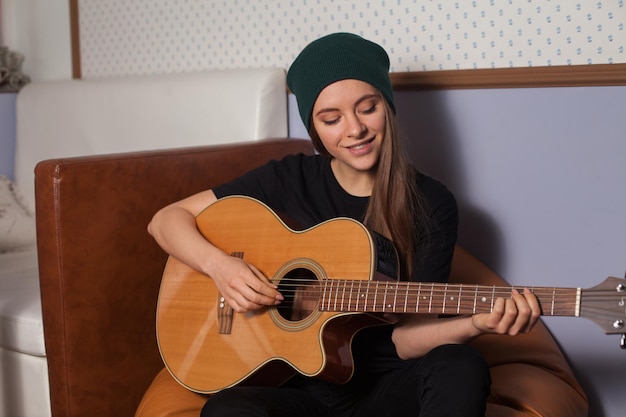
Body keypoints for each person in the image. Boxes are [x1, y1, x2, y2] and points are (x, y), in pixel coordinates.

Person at [148, 32, 541, 417]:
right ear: (315, 130)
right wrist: (221, 267)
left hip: (388, 392)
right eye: (331, 118)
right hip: (299, 394)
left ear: (387, 106)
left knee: (460, 363)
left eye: (367, 108)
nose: (354, 129)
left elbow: (407, 339)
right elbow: (165, 221)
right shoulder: (289, 178)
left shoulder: (432, 204)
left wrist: (475, 323)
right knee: (227, 409)